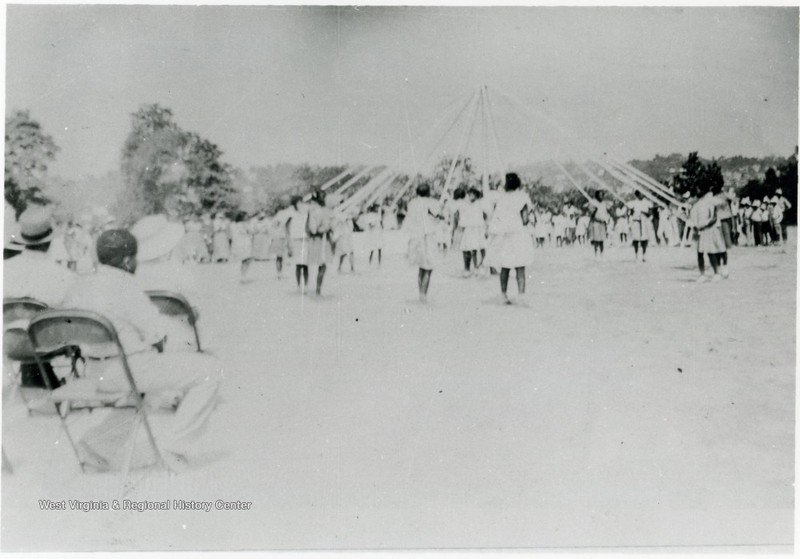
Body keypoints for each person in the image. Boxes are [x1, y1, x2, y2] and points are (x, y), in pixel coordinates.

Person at [63, 229, 222, 471]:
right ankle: (175, 447)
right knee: (210, 370)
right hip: (129, 370)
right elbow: (156, 333)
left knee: (150, 390)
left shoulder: (82, 285)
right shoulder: (126, 286)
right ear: (128, 260)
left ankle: (98, 446)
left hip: (95, 370)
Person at [487, 173, 534, 305]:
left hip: (505, 236)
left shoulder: (500, 198)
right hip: (519, 235)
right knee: (520, 267)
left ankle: (503, 295)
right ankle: (521, 296)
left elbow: (496, 218)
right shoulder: (522, 197)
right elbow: (525, 220)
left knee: (505, 267)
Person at [403, 182, 443, 303]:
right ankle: (423, 294)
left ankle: (421, 292)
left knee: (421, 267)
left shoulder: (412, 203)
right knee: (428, 267)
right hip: (428, 236)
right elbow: (437, 215)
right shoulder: (432, 202)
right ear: (428, 192)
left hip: (416, 237)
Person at [690, 184, 728, 281]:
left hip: (710, 229)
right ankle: (702, 274)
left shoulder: (710, 202)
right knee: (700, 253)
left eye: (699, 190)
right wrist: (696, 227)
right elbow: (693, 218)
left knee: (712, 251)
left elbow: (714, 217)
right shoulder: (696, 204)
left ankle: (716, 273)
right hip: (700, 231)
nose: (698, 192)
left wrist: (705, 225)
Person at [305, 190, 335, 296]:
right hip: (319, 240)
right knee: (320, 264)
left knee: (319, 264)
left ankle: (315, 288)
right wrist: (326, 228)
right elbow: (314, 229)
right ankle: (316, 289)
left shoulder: (316, 210)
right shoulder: (317, 211)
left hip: (320, 240)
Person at [286, 195, 311, 292]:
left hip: (305, 239)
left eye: (302, 202)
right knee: (298, 264)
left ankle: (306, 285)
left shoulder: (306, 212)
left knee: (305, 264)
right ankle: (298, 285)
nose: (301, 204)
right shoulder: (291, 213)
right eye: (299, 202)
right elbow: (287, 226)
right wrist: (289, 241)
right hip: (296, 240)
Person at [331, 200, 356, 274]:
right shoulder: (338, 214)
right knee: (343, 252)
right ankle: (340, 267)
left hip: (347, 235)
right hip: (341, 236)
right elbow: (335, 224)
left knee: (350, 252)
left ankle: (351, 268)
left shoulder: (347, 214)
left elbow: (351, 224)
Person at [628, 191, 653, 262]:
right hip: (636, 222)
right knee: (636, 239)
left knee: (644, 239)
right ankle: (636, 255)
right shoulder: (633, 203)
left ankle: (644, 255)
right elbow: (630, 214)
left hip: (644, 222)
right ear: (637, 195)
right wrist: (632, 211)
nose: (642, 194)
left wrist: (643, 212)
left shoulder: (648, 203)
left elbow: (650, 214)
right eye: (641, 193)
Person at [230, 211, 255, 282]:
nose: (247, 217)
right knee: (246, 259)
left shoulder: (233, 224)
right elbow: (251, 232)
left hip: (238, 243)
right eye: (246, 216)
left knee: (244, 259)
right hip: (244, 243)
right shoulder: (244, 224)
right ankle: (242, 275)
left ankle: (242, 276)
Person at [588, 191, 611, 258]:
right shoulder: (593, 202)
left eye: (602, 195)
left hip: (602, 223)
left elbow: (606, 213)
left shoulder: (603, 203)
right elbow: (591, 214)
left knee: (602, 240)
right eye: (600, 195)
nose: (602, 196)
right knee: (596, 239)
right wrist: (594, 210)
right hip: (596, 223)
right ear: (597, 195)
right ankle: (596, 254)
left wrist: (607, 220)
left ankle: (601, 254)